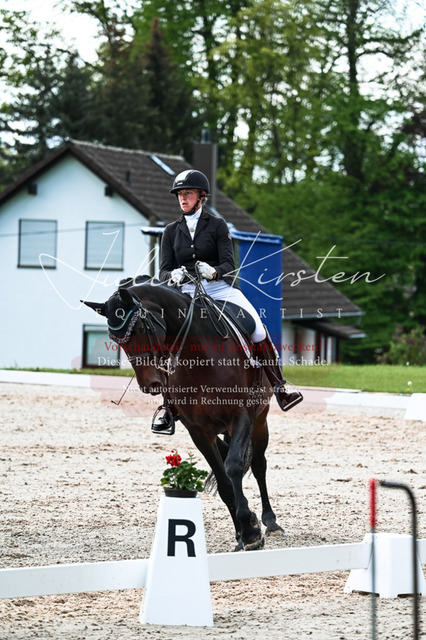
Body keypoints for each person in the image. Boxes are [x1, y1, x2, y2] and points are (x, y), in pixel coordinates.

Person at [152, 169, 302, 433]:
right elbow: (163, 270)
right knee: (163, 340)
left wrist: (213, 272)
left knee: (257, 328)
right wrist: (171, 275)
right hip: (184, 293)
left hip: (219, 289)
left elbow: (228, 265)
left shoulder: (217, 225)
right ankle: (167, 406)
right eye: (180, 194)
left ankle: (280, 387)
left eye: (188, 193)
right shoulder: (171, 231)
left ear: (201, 197)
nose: (182, 198)